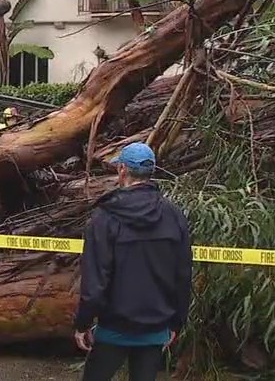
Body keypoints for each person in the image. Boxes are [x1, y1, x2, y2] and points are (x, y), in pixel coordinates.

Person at [74, 142, 193, 381]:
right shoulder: (173, 215)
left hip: (113, 328)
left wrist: (83, 323)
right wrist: (176, 323)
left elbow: (95, 280)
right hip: (155, 327)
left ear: (122, 170)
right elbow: (183, 274)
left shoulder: (104, 219)